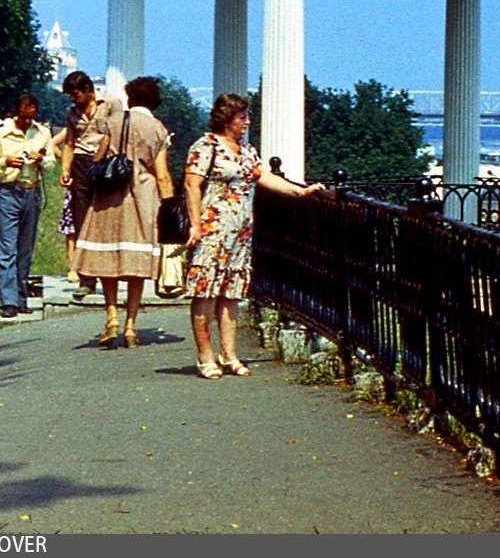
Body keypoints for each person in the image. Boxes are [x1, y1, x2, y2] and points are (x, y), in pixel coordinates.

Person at [184, 92, 323, 378]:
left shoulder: (246, 149)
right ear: (226, 120)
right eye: (242, 117)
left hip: (240, 232)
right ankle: (205, 356)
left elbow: (263, 176)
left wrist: (300, 190)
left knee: (231, 293)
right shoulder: (205, 146)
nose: (247, 122)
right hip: (213, 230)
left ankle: (229, 354)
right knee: (206, 291)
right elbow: (191, 184)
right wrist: (195, 224)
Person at [74, 76, 175, 350]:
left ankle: (111, 318)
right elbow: (162, 174)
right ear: (155, 100)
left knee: (108, 260)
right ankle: (131, 326)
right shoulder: (157, 128)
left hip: (109, 197)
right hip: (142, 198)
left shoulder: (114, 121)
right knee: (135, 266)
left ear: (130, 97)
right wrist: (171, 208)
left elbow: (98, 157)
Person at [0, 93, 52, 318]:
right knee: (7, 248)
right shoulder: (2, 134)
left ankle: (22, 296)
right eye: (23, 116)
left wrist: (40, 159)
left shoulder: (42, 133)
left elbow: (51, 163)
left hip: (31, 190)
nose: (26, 121)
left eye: (30, 116)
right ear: (17, 113)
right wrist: (5, 161)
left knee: (25, 248)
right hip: (9, 191)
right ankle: (9, 300)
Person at [57, 70, 122, 289]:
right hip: (81, 164)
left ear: (87, 90)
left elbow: (116, 134)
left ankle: (110, 273)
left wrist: (102, 159)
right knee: (81, 219)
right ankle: (86, 277)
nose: (72, 99)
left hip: (104, 164)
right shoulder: (71, 113)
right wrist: (66, 169)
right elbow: (69, 143)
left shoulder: (110, 104)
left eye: (75, 94)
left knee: (107, 218)